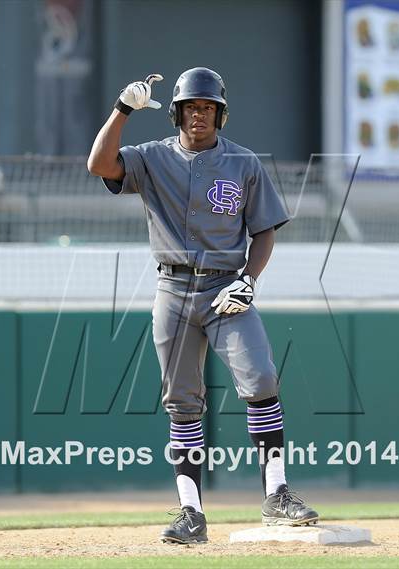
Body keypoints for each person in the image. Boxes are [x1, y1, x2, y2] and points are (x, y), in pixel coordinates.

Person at [87, 67, 319, 545]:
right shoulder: (151, 158)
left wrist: (248, 282)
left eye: (208, 107)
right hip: (172, 291)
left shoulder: (244, 163)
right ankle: (190, 512)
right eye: (192, 106)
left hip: (225, 291)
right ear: (176, 112)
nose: (200, 114)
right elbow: (99, 165)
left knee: (261, 379)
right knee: (183, 404)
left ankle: (277, 495)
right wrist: (122, 110)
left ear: (221, 114)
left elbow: (264, 230)